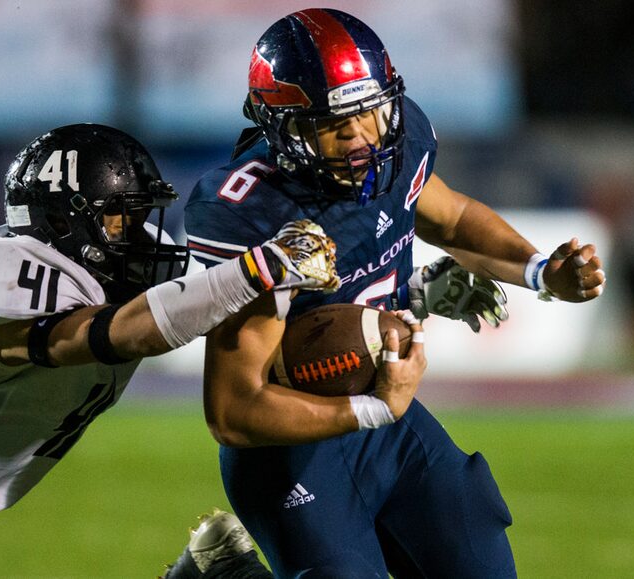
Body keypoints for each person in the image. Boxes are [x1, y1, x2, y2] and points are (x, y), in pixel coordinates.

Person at [173, 8, 607, 578]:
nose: (360, 138)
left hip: (389, 427)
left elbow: (448, 217)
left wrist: (539, 270)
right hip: (292, 448)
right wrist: (373, 405)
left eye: (371, 113)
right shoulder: (251, 212)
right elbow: (233, 411)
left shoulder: (400, 144)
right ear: (284, 130)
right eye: (334, 124)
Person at [0, 123, 347, 577]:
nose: (139, 232)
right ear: (65, 219)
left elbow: (219, 307)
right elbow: (113, 333)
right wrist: (259, 268)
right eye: (122, 214)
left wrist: (405, 298)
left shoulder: (118, 265)